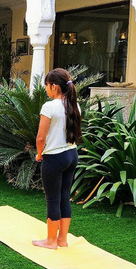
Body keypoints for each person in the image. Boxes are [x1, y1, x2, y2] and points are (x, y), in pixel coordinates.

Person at [32, 68, 81, 250]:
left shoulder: (49, 106)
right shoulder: (74, 105)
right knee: (64, 196)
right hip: (71, 154)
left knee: (52, 199)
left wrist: (39, 153)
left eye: (46, 85)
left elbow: (40, 137)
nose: (46, 89)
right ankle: (62, 239)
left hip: (54, 157)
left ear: (53, 86)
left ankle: (51, 241)